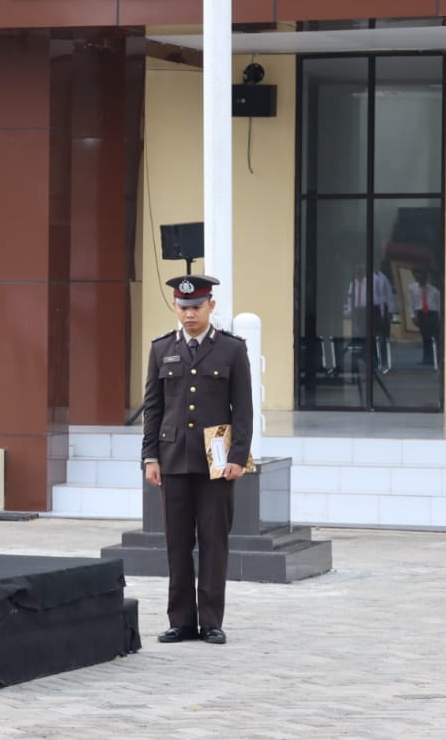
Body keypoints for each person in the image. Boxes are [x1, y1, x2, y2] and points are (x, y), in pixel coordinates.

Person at [141, 276, 253, 646]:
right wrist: (150, 456)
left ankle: (211, 621)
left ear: (211, 307)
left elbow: (244, 410)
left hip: (216, 463)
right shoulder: (161, 349)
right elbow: (153, 409)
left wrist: (238, 457)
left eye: (196, 307)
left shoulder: (232, 350)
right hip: (172, 459)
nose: (189, 314)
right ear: (176, 308)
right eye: (183, 307)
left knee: (213, 542)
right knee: (176, 543)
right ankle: (182, 621)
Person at [407, 269, 442, 368]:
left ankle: (437, 358)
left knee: (435, 337)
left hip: (433, 314)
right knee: (425, 337)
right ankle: (427, 358)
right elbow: (411, 303)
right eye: (416, 277)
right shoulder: (412, 288)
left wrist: (440, 318)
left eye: (420, 277)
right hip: (421, 314)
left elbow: (439, 305)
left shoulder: (434, 290)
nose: (418, 279)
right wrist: (413, 316)